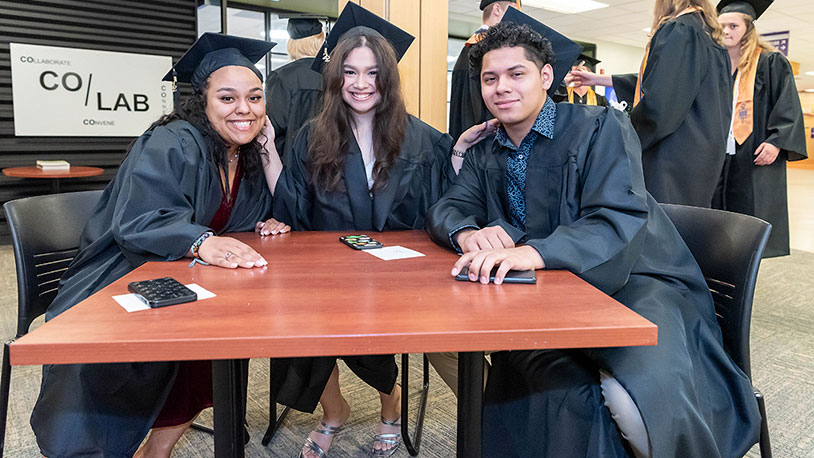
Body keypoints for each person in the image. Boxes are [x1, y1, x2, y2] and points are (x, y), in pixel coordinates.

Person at [425, 9, 761, 458]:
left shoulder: (599, 128)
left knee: (637, 403)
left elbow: (615, 219)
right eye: (490, 79)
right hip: (551, 292)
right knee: (533, 377)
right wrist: (466, 232)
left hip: (636, 284)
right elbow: (449, 207)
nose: (502, 87)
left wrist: (535, 253)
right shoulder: (489, 148)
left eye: (516, 73)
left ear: (546, 76)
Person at [28, 33, 290, 457]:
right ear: (202, 101)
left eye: (255, 97)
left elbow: (237, 217)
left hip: (189, 277)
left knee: (220, 341)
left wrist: (264, 222)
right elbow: (139, 218)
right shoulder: (174, 141)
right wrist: (201, 241)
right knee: (146, 355)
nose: (244, 109)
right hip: (120, 272)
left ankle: (159, 448)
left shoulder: (243, 153)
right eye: (227, 98)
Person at [258, 4, 495, 457]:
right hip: (329, 273)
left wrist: (459, 157)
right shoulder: (312, 137)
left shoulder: (422, 139)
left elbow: (446, 204)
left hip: (397, 278)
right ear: (336, 78)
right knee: (300, 328)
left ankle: (392, 408)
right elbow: (291, 204)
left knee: (378, 329)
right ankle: (333, 411)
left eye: (372, 72)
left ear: (387, 78)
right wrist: (278, 219)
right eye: (350, 72)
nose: (361, 84)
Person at [570, 0, 732, 207]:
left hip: (670, 155)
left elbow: (660, 103)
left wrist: (627, 136)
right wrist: (601, 79)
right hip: (700, 154)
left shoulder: (679, 29)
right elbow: (672, 82)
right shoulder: (708, 32)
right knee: (689, 225)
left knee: (663, 227)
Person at [715, 0, 807, 257]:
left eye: (733, 25)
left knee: (749, 222)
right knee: (717, 222)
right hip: (719, 155)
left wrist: (777, 141)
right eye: (721, 25)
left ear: (748, 29)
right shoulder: (717, 66)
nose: (726, 31)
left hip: (754, 152)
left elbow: (788, 105)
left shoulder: (770, 62)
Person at [448, 0, 520, 141]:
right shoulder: (490, 53)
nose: (517, 19)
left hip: (466, 145)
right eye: (514, 11)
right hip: (487, 147)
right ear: (497, 9)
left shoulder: (468, 51)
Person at [266, 15, 326, 164]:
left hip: (291, 163)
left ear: (291, 44)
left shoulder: (281, 77)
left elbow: (275, 125)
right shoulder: (336, 74)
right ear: (320, 41)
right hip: (331, 160)